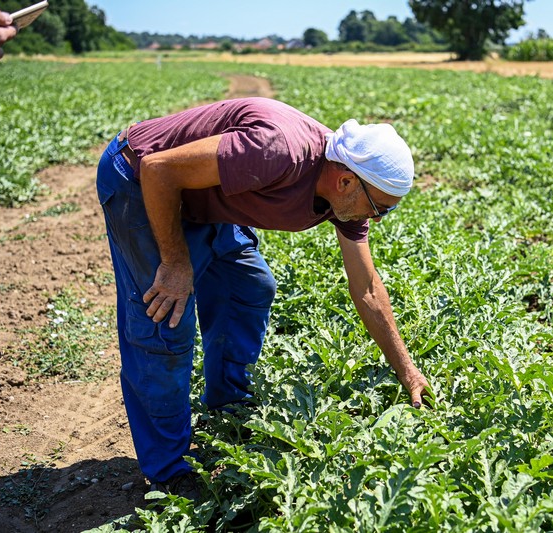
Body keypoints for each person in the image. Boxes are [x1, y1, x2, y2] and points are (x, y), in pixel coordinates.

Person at [96, 96, 431, 494]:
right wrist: (174, 261)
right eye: (381, 208)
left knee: (249, 286)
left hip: (205, 196)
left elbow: (368, 288)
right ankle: (169, 470)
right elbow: (158, 169)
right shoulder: (277, 152)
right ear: (345, 181)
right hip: (139, 178)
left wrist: (407, 371)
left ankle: (229, 405)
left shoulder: (346, 197)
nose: (376, 218)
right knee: (166, 319)